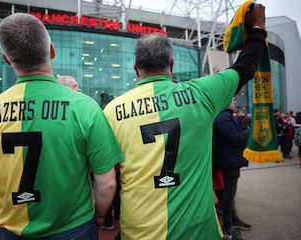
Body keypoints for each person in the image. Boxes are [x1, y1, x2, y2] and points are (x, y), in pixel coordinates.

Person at [102, 4, 267, 240]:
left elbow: (109, 178)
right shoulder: (202, 93)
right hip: (198, 231)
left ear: (136, 69)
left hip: (139, 231)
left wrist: (101, 217)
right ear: (171, 65)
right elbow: (246, 66)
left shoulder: (112, 110)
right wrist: (258, 27)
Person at [0, 13, 124, 239]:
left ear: (6, 59)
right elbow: (107, 182)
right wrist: (100, 216)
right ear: (52, 50)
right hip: (73, 228)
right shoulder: (85, 107)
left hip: (13, 230)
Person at [213, 98, 252, 240]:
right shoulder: (223, 118)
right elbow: (236, 138)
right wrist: (250, 130)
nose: (234, 102)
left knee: (230, 195)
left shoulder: (227, 116)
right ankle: (228, 226)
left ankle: (233, 220)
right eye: (232, 99)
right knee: (228, 196)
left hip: (231, 162)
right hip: (228, 163)